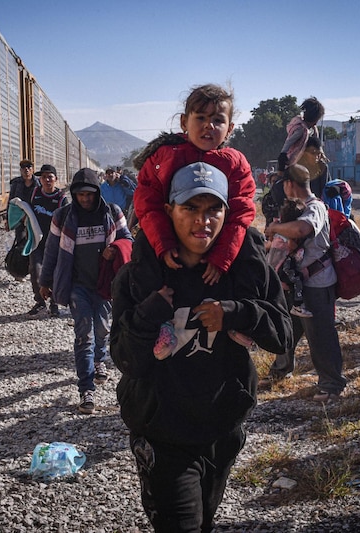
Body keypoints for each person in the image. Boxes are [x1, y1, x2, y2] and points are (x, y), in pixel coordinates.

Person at [110, 161, 291, 532]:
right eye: (190, 208)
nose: (203, 221)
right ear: (169, 211)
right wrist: (150, 312)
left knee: (204, 521)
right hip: (163, 434)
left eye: (214, 209)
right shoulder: (141, 274)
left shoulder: (242, 270)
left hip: (221, 429)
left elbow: (282, 336)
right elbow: (124, 357)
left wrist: (237, 313)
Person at [133, 83, 256, 285]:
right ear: (184, 122)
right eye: (201, 117)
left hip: (215, 248)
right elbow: (148, 204)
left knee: (251, 243)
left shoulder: (234, 163)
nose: (209, 125)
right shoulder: (164, 157)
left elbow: (240, 213)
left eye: (218, 120)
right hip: (170, 248)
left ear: (230, 129)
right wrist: (163, 242)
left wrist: (222, 257)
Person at [38, 168, 133, 414]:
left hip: (104, 286)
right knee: (84, 335)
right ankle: (86, 389)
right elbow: (51, 252)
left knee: (101, 329)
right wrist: (45, 281)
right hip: (76, 285)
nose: (85, 199)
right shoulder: (62, 217)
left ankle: (99, 360)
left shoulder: (113, 213)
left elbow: (129, 240)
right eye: (80, 195)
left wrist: (116, 247)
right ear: (74, 194)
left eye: (89, 195)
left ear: (97, 193)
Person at [263, 165, 348, 401]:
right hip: (296, 283)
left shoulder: (315, 208)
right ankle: (280, 371)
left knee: (321, 335)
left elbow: (302, 229)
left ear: (290, 183)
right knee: (287, 330)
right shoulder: (299, 208)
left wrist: (275, 228)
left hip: (316, 284)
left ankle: (332, 385)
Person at [27, 164, 68, 316]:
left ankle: (54, 302)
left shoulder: (61, 199)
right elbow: (26, 212)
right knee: (36, 271)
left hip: (55, 243)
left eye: (50, 177)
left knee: (55, 273)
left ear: (56, 179)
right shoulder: (35, 194)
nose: (46, 180)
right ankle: (40, 301)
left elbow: (67, 220)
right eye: (43, 177)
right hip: (37, 241)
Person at [277, 198, 313, 317]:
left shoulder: (279, 231)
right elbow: (295, 252)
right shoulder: (290, 238)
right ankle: (297, 306)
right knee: (297, 280)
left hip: (277, 270)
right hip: (284, 269)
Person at [277, 97, 325, 177]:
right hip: (293, 162)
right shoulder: (301, 130)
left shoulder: (311, 129)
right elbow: (288, 144)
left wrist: (320, 150)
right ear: (315, 119)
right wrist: (282, 162)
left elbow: (316, 139)